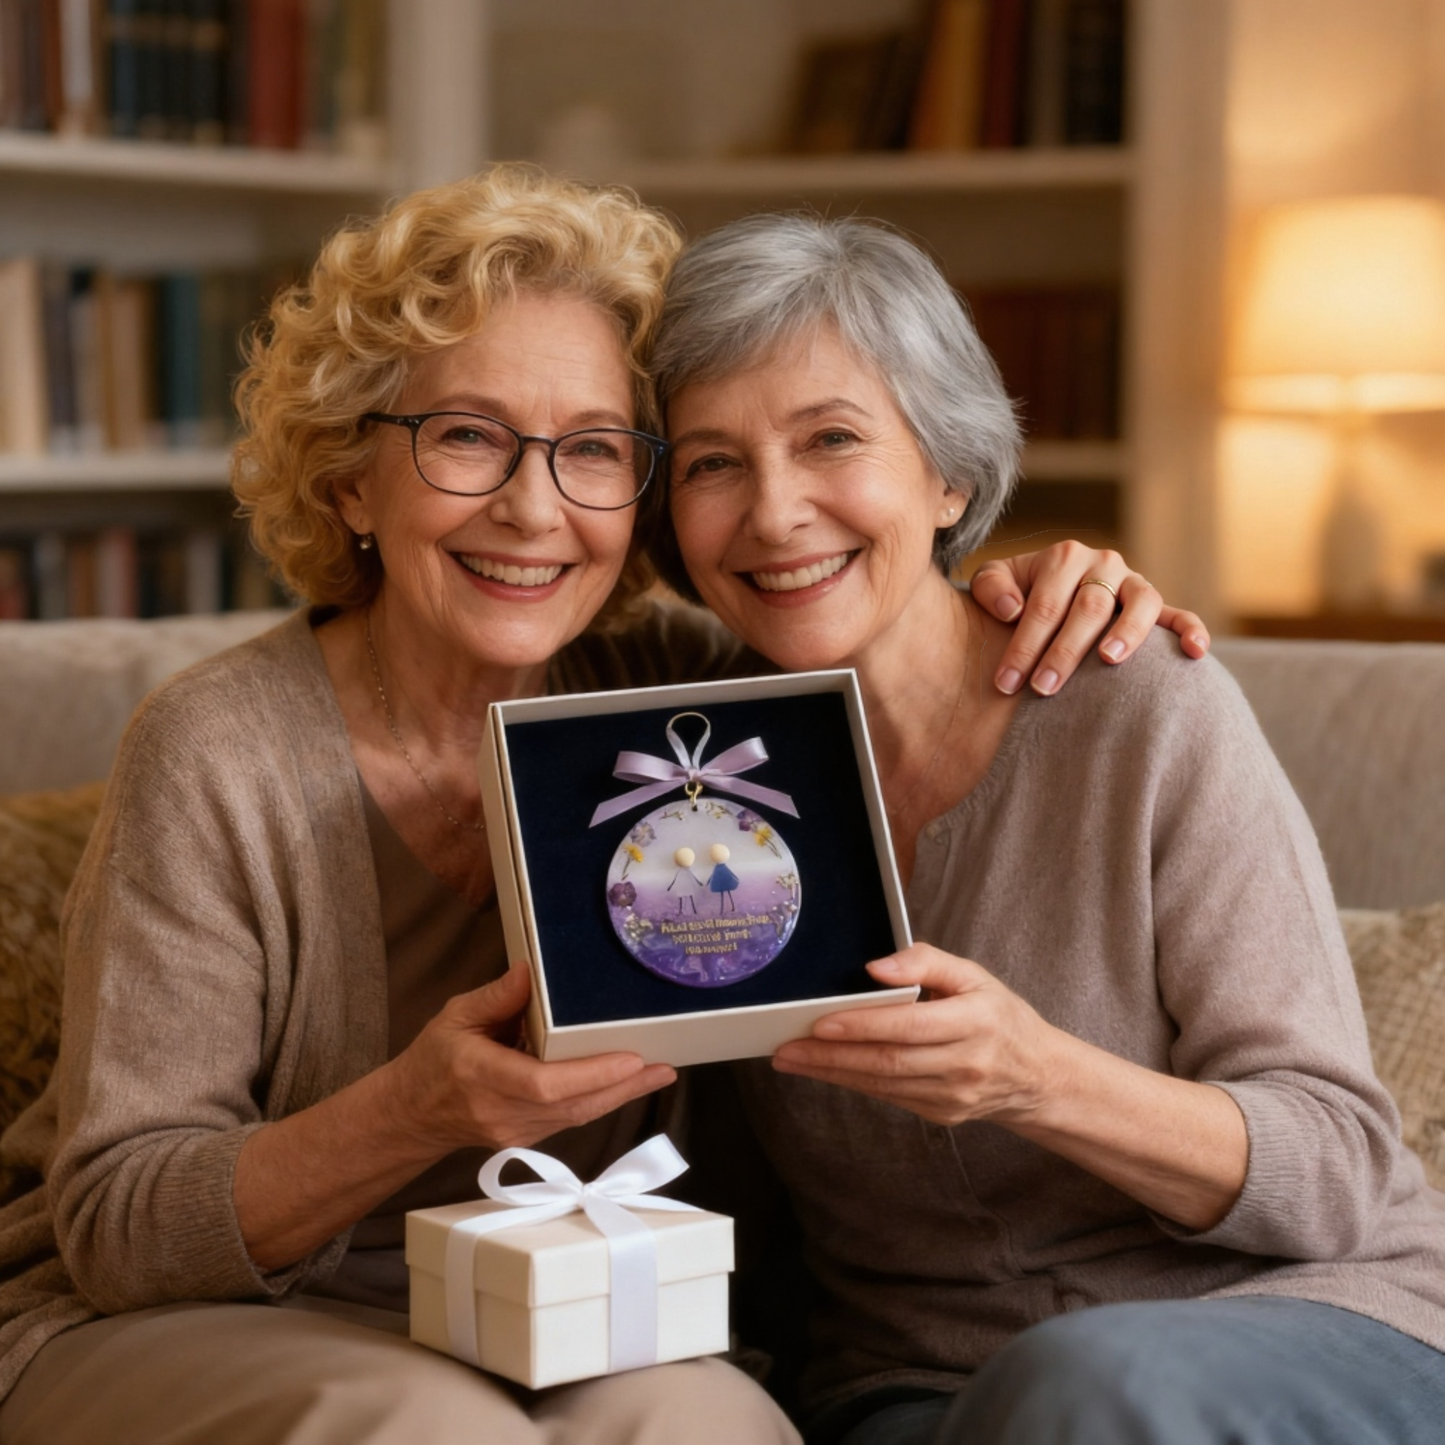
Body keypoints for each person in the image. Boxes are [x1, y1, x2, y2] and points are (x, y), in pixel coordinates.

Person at [0, 167, 1203, 1445]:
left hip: (581, 1312)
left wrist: (1055, 582)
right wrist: (415, 1109)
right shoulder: (217, 749)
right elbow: (123, 1225)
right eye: (464, 436)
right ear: (353, 477)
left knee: (716, 1427)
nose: (532, 507)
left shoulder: (699, 693)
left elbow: (869, 596)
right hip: (196, 1318)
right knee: (429, 1432)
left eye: (591, 450)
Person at [649, 212, 1445, 1445]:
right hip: (916, 1391)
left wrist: (1034, 1075)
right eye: (710, 463)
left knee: (1079, 1385)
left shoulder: (1136, 706)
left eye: (832, 439)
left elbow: (1334, 1164)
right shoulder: (678, 784)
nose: (773, 511)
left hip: (1300, 1319)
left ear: (948, 472)